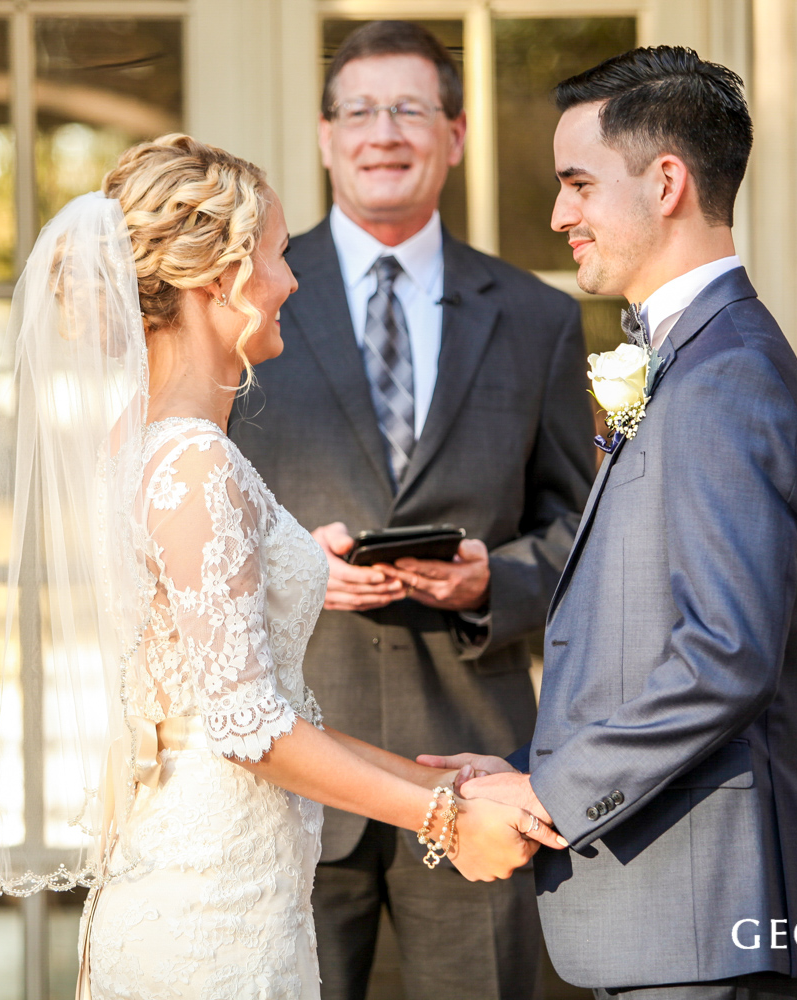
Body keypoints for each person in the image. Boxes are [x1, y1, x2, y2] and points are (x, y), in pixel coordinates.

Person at [0, 134, 561, 1000]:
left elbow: (243, 709)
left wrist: (439, 776)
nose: (292, 281)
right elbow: (247, 728)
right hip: (211, 913)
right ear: (219, 278)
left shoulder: (139, 447)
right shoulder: (193, 466)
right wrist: (444, 818)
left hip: (225, 882)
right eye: (279, 254)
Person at [422, 47, 797, 999]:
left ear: (666, 182)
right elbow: (647, 642)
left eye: (578, 184)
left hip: (708, 923)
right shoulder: (694, 358)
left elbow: (724, 656)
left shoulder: (727, 377)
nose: (559, 214)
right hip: (676, 918)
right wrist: (529, 765)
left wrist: (549, 794)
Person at [228, 20, 596, 1000]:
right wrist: (295, 568)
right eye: (358, 111)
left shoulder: (538, 317)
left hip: (473, 765)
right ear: (325, 136)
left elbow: (586, 531)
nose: (382, 133)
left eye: (408, 109)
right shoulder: (250, 299)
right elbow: (193, 512)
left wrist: (493, 582)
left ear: (455, 133)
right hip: (296, 761)